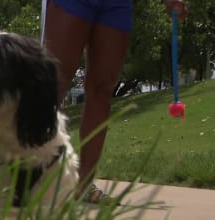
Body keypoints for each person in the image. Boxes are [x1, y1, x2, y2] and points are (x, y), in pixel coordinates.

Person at [42, 0, 188, 203]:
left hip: (117, 5)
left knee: (102, 91)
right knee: (53, 84)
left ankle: (83, 184)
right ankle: (32, 175)